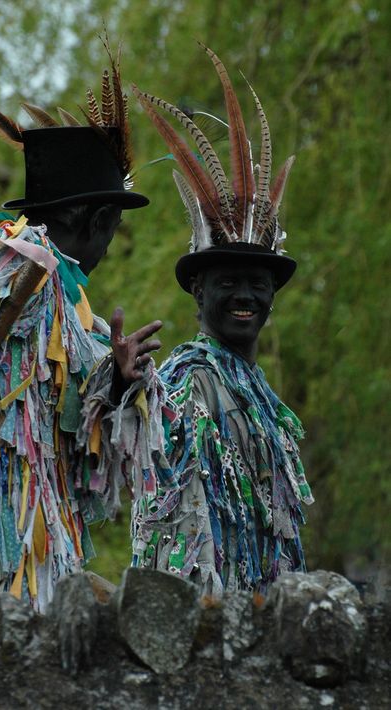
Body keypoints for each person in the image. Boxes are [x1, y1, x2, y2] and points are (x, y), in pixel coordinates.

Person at [0, 50, 164, 613]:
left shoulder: (69, 302)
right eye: (114, 226)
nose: (109, 243)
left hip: (37, 530)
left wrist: (117, 386)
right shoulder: (0, 263)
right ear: (94, 219)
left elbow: (83, 446)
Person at [129, 46, 314, 597]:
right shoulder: (188, 381)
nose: (246, 297)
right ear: (199, 290)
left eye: (258, 285)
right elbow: (172, 524)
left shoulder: (261, 398)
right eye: (229, 282)